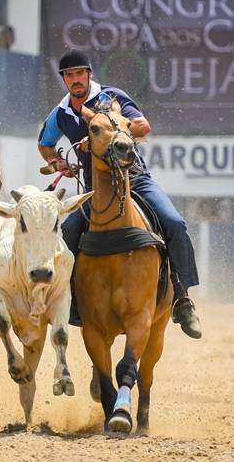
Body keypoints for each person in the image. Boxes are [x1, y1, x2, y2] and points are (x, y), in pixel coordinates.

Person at [37, 50, 203, 339]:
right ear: (64, 79)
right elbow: (45, 144)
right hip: (96, 191)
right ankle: (69, 300)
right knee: (67, 234)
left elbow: (142, 126)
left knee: (174, 223)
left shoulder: (111, 96)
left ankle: (182, 298)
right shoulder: (61, 113)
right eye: (69, 75)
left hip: (135, 180)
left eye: (80, 73)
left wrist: (101, 135)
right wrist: (58, 162)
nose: (75, 80)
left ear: (89, 74)